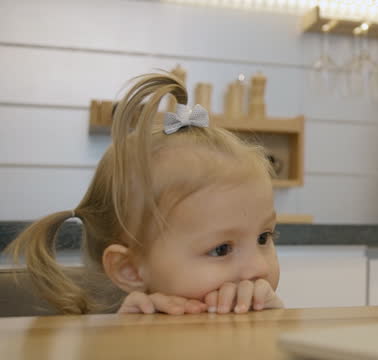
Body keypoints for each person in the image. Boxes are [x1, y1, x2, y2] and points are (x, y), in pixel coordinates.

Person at [5, 73, 284, 314]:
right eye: (221, 249)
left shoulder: (259, 308)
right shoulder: (116, 337)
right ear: (130, 269)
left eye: (264, 238)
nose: (259, 267)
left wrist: (270, 325)